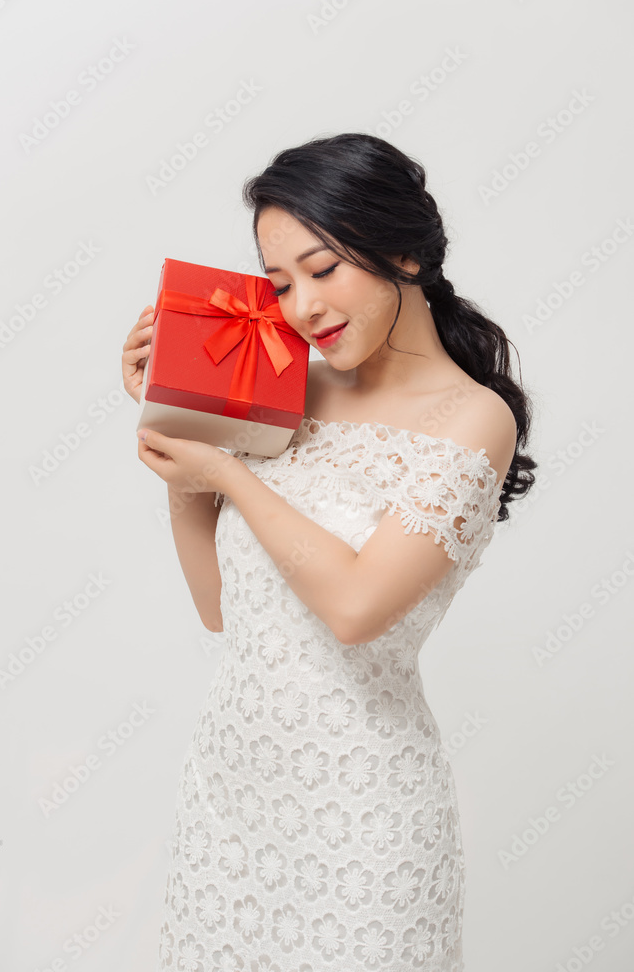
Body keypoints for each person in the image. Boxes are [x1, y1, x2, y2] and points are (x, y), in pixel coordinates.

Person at [121, 132, 537, 971]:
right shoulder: (287, 391)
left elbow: (354, 609)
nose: (302, 307)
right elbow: (219, 610)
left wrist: (229, 478)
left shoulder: (471, 418)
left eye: (323, 269)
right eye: (279, 284)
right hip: (230, 795)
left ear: (406, 254)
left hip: (362, 809)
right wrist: (179, 436)